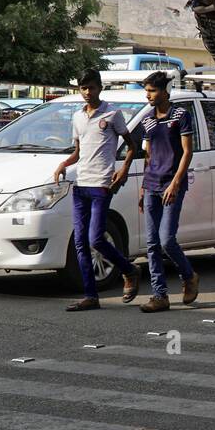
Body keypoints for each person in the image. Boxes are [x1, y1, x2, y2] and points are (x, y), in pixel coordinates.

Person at [53, 69, 140, 311]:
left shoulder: (113, 114)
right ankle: (91, 296)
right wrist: (64, 164)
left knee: (96, 239)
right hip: (81, 185)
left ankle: (129, 270)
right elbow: (79, 152)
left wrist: (122, 171)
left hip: (102, 184)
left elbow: (132, 146)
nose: (87, 93)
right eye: (83, 88)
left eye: (91, 87)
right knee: (80, 242)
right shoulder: (78, 117)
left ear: (100, 88)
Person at [137, 70, 200, 312]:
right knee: (151, 244)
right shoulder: (147, 120)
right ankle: (159, 295)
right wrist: (143, 188)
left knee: (166, 240)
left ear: (164, 91)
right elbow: (148, 154)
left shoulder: (181, 115)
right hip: (151, 184)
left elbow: (187, 152)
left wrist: (174, 183)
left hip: (172, 184)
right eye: (147, 91)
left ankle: (189, 276)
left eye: (152, 91)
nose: (148, 96)